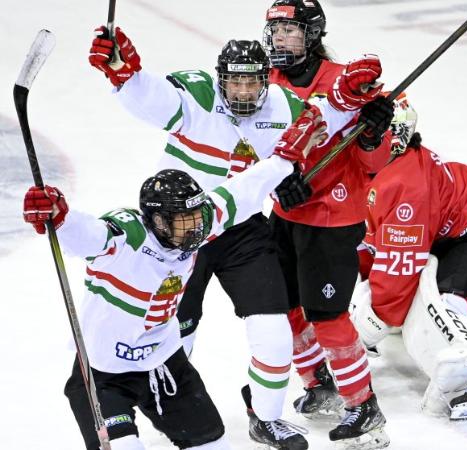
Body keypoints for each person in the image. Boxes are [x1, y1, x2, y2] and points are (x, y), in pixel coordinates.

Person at [88, 27, 381, 449]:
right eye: (235, 81)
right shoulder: (196, 94)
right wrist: (122, 70)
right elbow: (148, 94)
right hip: (177, 236)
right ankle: (167, 415)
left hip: (240, 231)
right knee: (174, 338)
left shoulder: (281, 103)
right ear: (219, 78)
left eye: (252, 81)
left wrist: (349, 95)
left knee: (274, 332)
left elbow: (320, 117)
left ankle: (266, 419)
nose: (243, 91)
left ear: (266, 80)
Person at [21, 112, 321, 449]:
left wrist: (285, 157)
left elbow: (243, 189)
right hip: (103, 377)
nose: (194, 227)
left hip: (165, 366)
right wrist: (60, 218)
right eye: (182, 220)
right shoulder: (127, 236)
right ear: (157, 220)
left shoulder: (199, 223)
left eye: (195, 216)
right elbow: (88, 235)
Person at [242, 1, 395, 448]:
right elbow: (253, 149)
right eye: (275, 32)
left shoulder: (348, 83)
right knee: (280, 308)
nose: (280, 40)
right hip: (285, 214)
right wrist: (278, 183)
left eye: (290, 31)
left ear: (312, 35)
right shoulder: (268, 84)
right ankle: (318, 381)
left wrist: (372, 131)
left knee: (327, 316)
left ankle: (363, 405)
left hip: (333, 217)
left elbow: (375, 162)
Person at [349, 94, 467, 420]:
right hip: (441, 237)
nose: (357, 140)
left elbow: (398, 274)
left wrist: (370, 324)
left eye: (367, 133)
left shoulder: (404, 183)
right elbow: (367, 244)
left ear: (394, 137)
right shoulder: (380, 170)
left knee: (442, 304)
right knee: (411, 305)